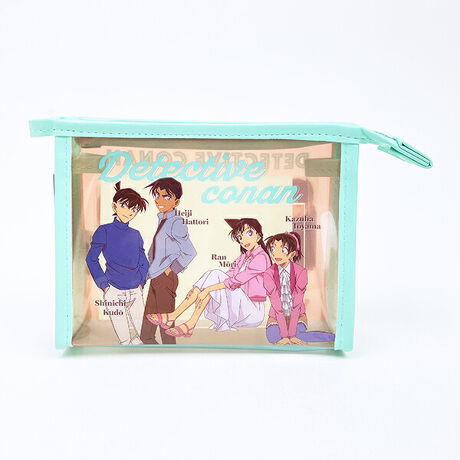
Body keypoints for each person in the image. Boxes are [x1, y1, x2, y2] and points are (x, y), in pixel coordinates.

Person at [147, 218, 271, 338]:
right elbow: (227, 277)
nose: (243, 240)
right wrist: (200, 289)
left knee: (214, 277)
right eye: (240, 237)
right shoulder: (243, 258)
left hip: (252, 312)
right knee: (213, 279)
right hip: (238, 306)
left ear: (259, 235)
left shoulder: (261, 257)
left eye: (249, 233)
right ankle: (189, 324)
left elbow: (235, 281)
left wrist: (206, 289)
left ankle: (173, 316)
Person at [86, 182, 149, 345]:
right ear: (114, 206)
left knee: (144, 336)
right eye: (124, 206)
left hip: (135, 290)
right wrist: (104, 285)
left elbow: (144, 262)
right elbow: (91, 259)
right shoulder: (104, 230)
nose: (129, 212)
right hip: (113, 289)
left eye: (134, 209)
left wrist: (141, 283)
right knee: (124, 340)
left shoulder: (136, 234)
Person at [140, 177, 197, 344]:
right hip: (155, 276)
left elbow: (190, 252)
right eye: (157, 195)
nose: (159, 200)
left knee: (166, 324)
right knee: (148, 325)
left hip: (165, 278)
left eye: (166, 196)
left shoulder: (176, 222)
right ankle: (150, 347)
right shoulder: (163, 220)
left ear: (176, 201)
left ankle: (170, 352)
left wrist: (171, 269)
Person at [263, 232, 335, 345]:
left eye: (283, 250)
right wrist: (284, 335)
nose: (276, 253)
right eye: (273, 249)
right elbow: (276, 304)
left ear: (292, 253)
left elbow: (296, 305)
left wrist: (291, 335)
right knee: (273, 337)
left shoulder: (301, 272)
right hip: (275, 316)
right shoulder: (268, 273)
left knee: (297, 335)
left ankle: (333, 337)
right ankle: (292, 336)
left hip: (298, 316)